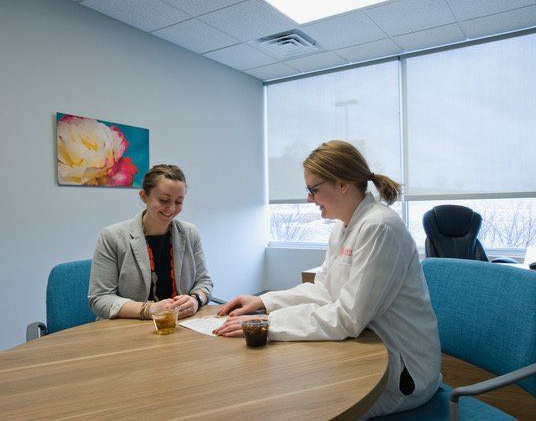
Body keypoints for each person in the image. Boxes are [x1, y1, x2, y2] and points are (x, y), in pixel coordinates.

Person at [215, 140, 441, 417]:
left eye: (313, 190)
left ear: (342, 184)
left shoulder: (380, 227)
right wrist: (263, 302)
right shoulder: (342, 228)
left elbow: (348, 317)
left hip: (403, 371)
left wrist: (268, 324)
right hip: (367, 347)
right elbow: (325, 291)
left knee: (303, 408)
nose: (309, 199)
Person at [88, 164, 213, 321]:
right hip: (127, 329)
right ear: (143, 196)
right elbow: (99, 299)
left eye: (179, 201)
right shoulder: (112, 236)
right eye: (164, 200)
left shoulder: (190, 233)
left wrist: (196, 299)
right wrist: (150, 309)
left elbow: (204, 282)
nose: (172, 208)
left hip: (180, 326)